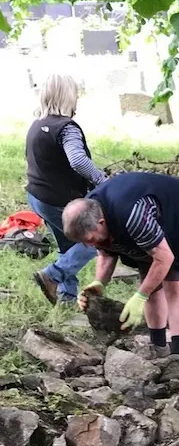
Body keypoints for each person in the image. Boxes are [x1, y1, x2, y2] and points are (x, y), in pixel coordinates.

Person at [61, 172, 179, 358]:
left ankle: (178, 356)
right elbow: (106, 249)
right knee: (149, 281)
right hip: (146, 220)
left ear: (102, 223)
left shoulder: (132, 215)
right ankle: (158, 348)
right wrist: (99, 282)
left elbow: (164, 258)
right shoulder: (89, 211)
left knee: (175, 284)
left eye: (90, 239)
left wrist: (140, 295)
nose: (89, 245)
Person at [26, 74, 107, 305]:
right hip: (59, 200)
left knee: (67, 244)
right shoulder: (66, 128)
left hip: (37, 196)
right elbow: (78, 161)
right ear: (68, 96)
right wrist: (102, 180)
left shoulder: (37, 124)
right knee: (93, 242)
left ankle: (67, 297)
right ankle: (52, 275)